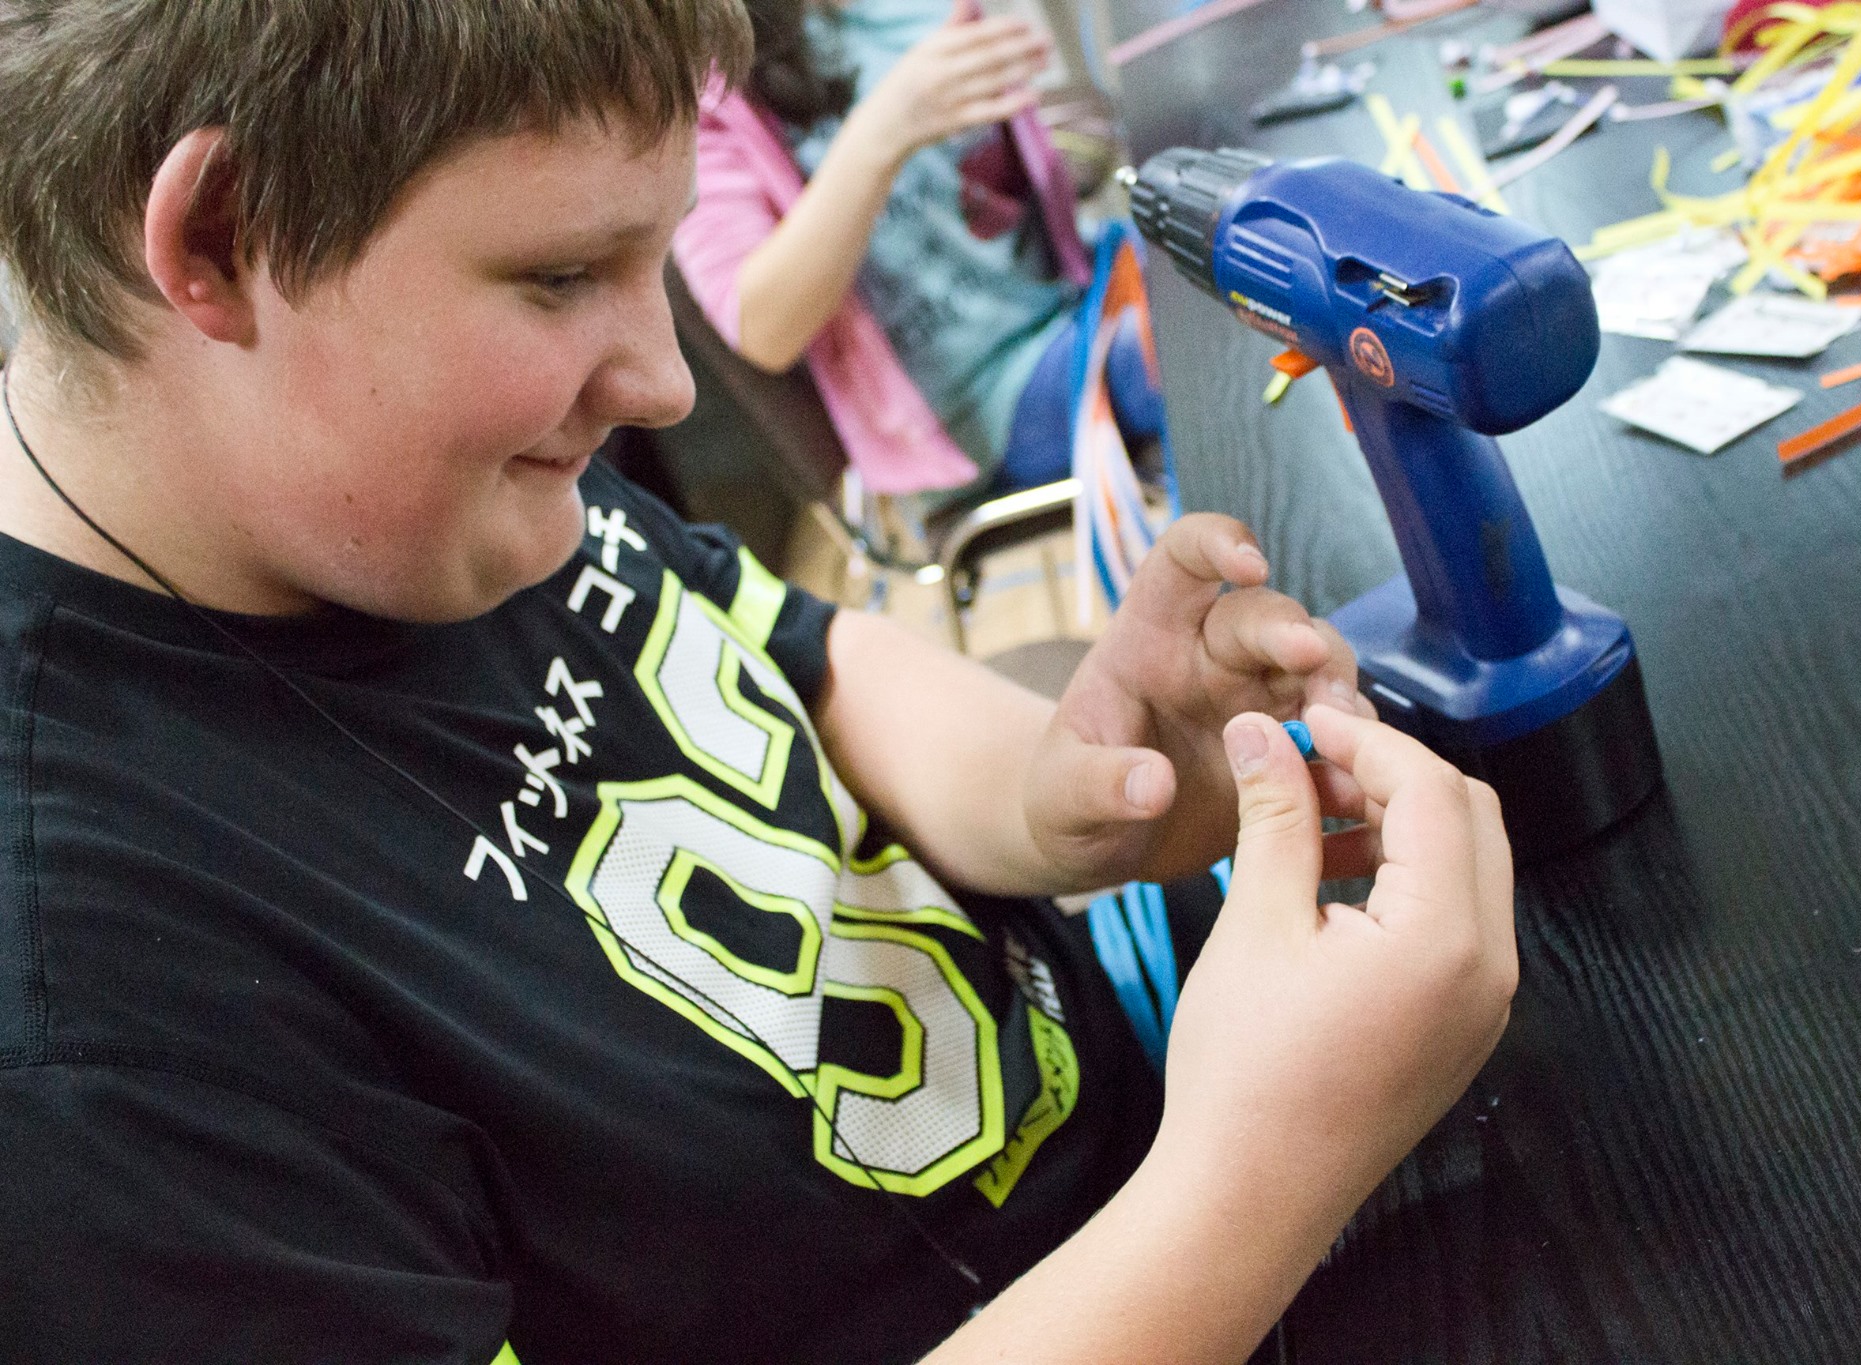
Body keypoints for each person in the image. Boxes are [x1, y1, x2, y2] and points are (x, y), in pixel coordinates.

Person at [0, 3, 1518, 1363]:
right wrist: (1252, 1182)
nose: (662, 382)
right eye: (561, 277)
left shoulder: (385, 486)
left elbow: (792, 654)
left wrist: (1059, 794)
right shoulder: (93, 1032)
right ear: (224, 238)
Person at [675, 0, 1164, 502]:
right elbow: (761, 327)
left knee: (1203, 246)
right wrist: (885, 129)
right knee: (1173, 347)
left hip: (1079, 286)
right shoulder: (703, 101)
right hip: (987, 400)